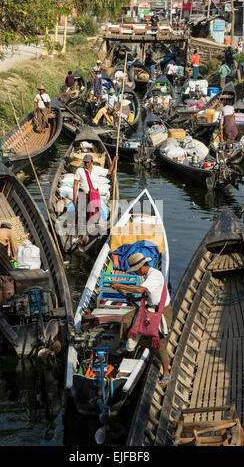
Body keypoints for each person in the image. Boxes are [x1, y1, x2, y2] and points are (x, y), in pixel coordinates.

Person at [111, 253, 173, 387]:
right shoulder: (147, 275)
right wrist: (135, 299)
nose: (136, 273)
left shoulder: (154, 275)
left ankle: (167, 372)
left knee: (158, 341)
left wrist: (121, 286)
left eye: (135, 271)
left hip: (161, 312)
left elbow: (140, 289)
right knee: (126, 320)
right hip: (149, 308)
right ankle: (130, 344)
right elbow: (148, 295)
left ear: (140, 268)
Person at [73, 153, 118, 242]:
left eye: (88, 162)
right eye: (85, 162)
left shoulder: (97, 170)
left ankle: (92, 232)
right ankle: (80, 233)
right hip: (83, 194)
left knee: (94, 214)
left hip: (93, 195)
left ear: (92, 162)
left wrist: (113, 162)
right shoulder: (79, 171)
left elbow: (109, 172)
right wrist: (75, 199)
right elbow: (75, 185)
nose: (86, 164)